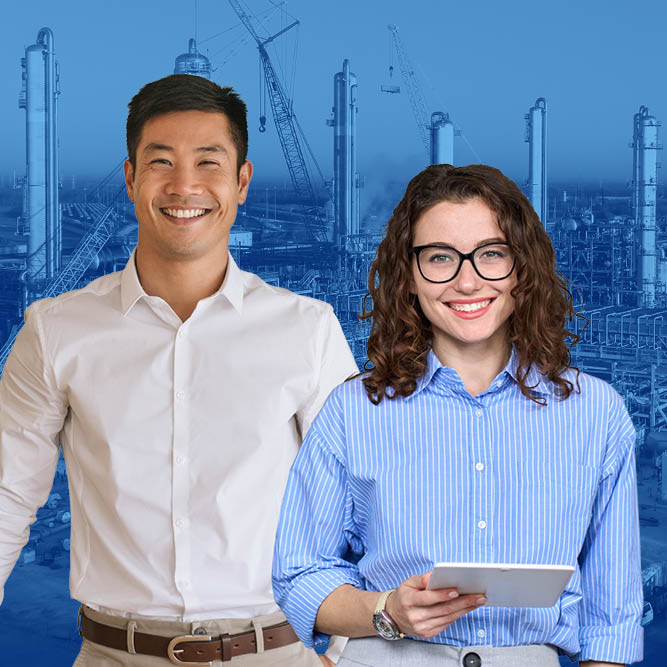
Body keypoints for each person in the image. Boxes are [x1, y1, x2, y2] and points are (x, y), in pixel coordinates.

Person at [0, 74, 358, 666]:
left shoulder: (307, 330)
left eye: (208, 162)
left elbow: (359, 497)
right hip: (116, 653)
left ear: (242, 181)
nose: (184, 185)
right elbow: (8, 492)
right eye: (160, 162)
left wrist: (349, 649)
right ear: (130, 179)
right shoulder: (56, 330)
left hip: (273, 650)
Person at [273, 164, 643, 667]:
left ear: (522, 268)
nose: (467, 281)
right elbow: (298, 574)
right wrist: (386, 611)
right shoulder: (354, 410)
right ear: (408, 275)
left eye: (491, 254)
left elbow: (613, 616)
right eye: (440, 258)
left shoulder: (595, 413)